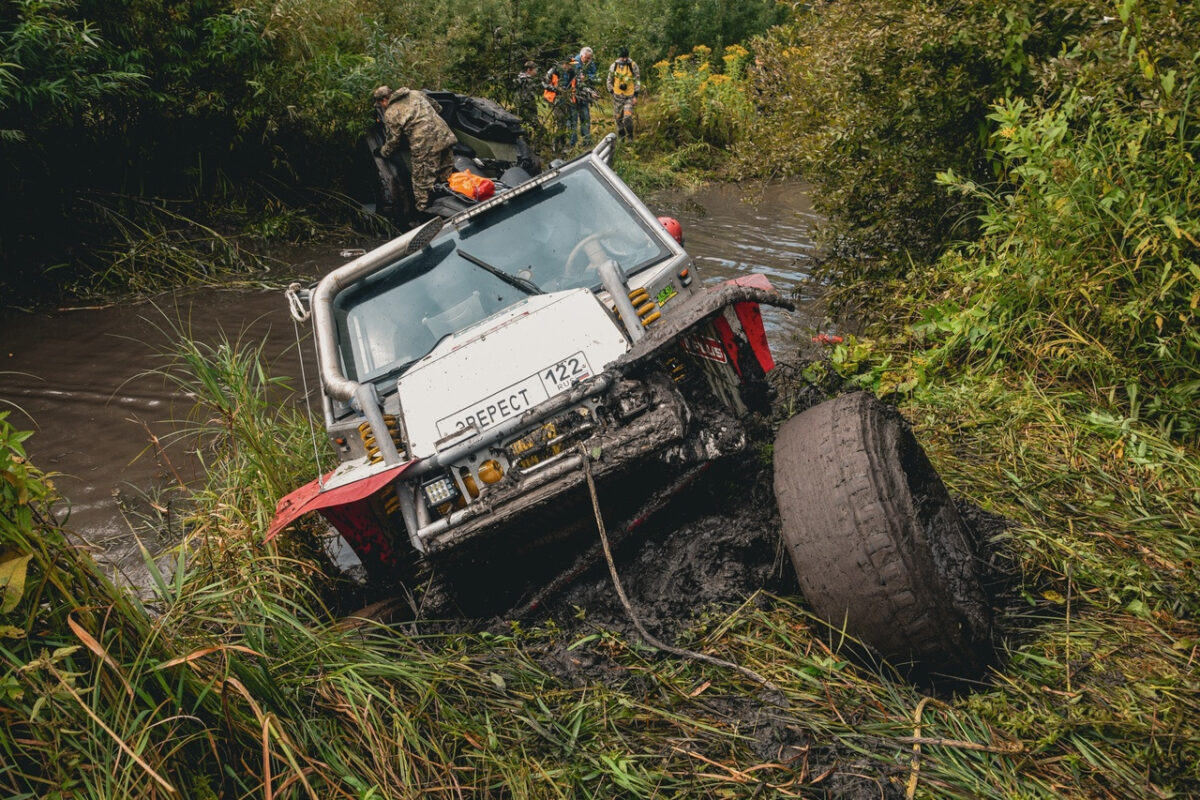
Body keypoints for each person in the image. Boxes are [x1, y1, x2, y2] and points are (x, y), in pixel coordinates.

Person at [371, 85, 458, 213]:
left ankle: (424, 215)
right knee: (447, 175)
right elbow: (438, 108)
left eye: (380, 103)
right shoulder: (416, 93)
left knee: (421, 185)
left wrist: (383, 152)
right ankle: (456, 203)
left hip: (424, 145)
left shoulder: (391, 112)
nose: (382, 106)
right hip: (445, 137)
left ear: (384, 100)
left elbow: (394, 141)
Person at [542, 57, 577, 151]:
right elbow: (544, 84)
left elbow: (574, 86)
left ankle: (561, 145)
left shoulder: (571, 73)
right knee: (560, 121)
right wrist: (556, 89)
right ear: (565, 64)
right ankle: (556, 144)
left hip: (566, 99)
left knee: (564, 123)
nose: (571, 67)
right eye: (570, 65)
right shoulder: (554, 71)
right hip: (555, 99)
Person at [606, 47, 641, 141]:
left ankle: (630, 136)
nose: (624, 59)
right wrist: (612, 91)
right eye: (622, 57)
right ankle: (621, 136)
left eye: (626, 57)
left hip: (629, 97)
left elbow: (637, 80)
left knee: (627, 117)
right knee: (618, 119)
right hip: (617, 97)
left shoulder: (632, 65)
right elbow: (609, 80)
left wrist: (635, 96)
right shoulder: (614, 66)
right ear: (619, 57)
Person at [571, 46, 599, 146]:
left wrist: (587, 78)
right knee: (573, 122)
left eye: (590, 58)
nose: (588, 60)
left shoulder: (591, 63)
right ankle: (572, 144)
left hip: (584, 95)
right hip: (573, 96)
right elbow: (570, 77)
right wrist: (579, 77)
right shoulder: (574, 62)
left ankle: (586, 142)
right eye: (587, 58)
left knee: (585, 119)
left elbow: (594, 76)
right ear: (582, 55)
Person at [513, 60, 542, 136]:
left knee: (526, 128)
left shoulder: (519, 79)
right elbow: (529, 98)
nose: (536, 72)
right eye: (535, 69)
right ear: (529, 70)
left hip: (520, 108)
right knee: (539, 129)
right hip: (527, 109)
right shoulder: (527, 81)